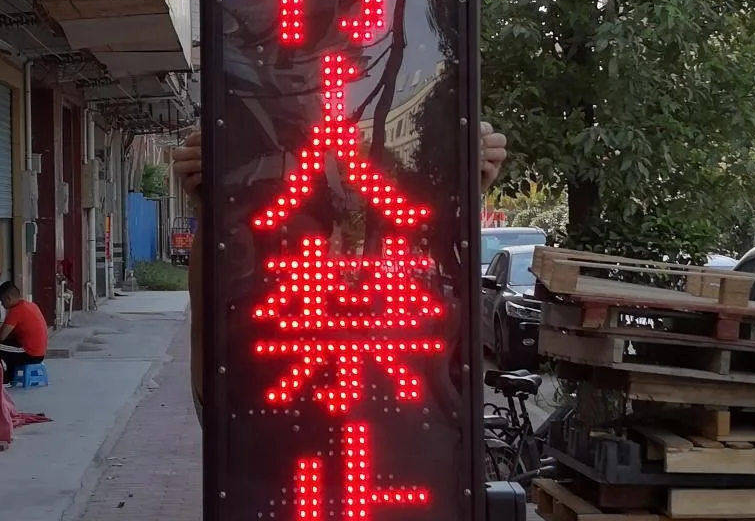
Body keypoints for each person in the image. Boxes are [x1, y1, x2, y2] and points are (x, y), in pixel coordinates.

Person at [171, 121, 507, 412]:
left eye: (310, 239)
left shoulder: (384, 324)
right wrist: (210, 215)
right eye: (291, 242)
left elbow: (452, 362)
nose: (306, 252)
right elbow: (206, 346)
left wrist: (461, 198)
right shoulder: (250, 334)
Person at [0, 279, 49, 384]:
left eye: (2, 301)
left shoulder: (16, 312)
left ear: (9, 299)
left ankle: (3, 378)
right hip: (40, 353)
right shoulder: (31, 305)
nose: (1, 304)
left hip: (29, 354)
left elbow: (1, 337)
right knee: (8, 346)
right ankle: (10, 376)